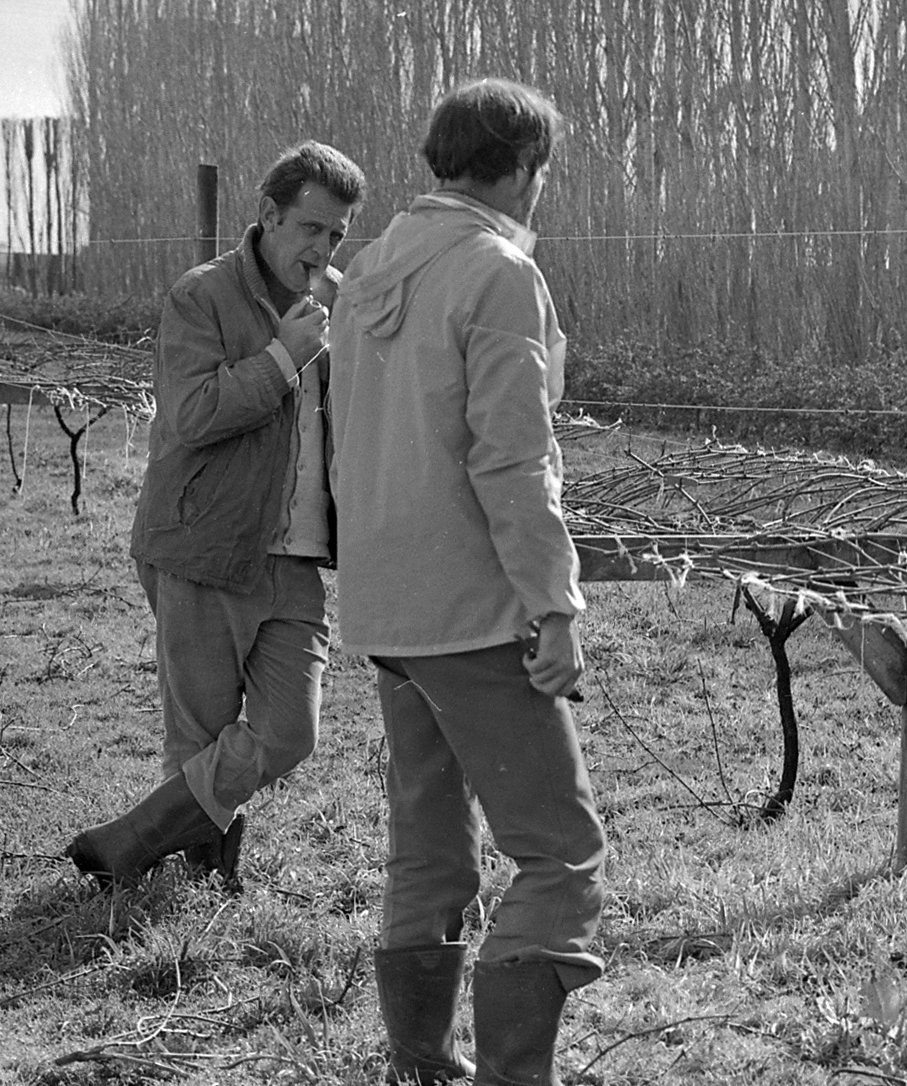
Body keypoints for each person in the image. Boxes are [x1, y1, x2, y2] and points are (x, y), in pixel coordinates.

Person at [328, 78, 604, 1086]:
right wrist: (554, 603)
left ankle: (417, 1064)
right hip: (470, 606)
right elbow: (511, 462)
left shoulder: (367, 268)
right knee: (559, 852)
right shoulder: (495, 272)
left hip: (385, 602)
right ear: (525, 170)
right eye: (543, 176)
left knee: (430, 838)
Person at [67, 141, 367, 890]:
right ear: (268, 215)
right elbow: (192, 414)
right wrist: (281, 358)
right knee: (199, 731)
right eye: (312, 228)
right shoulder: (200, 296)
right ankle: (201, 879)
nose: (324, 247)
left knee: (290, 731)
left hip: (296, 555)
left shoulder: (339, 300)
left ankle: (129, 838)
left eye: (338, 234)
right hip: (203, 543)